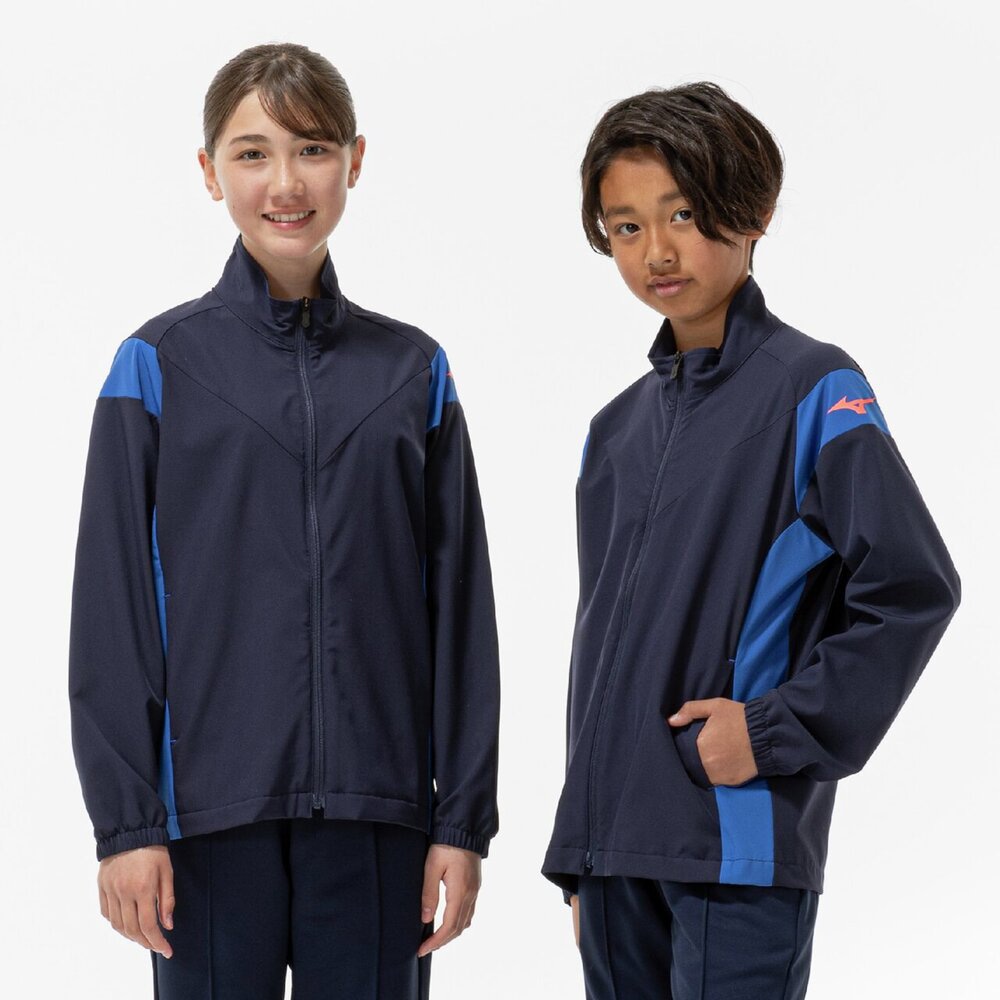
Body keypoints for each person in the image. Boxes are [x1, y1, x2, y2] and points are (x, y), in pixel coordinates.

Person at [68, 42, 500, 1000]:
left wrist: (462, 821)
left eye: (311, 149)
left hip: (380, 816)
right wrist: (127, 825)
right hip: (208, 821)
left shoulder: (412, 371)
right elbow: (112, 610)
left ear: (354, 160)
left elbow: (461, 610)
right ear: (209, 170)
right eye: (253, 153)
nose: (286, 183)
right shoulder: (156, 364)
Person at [541, 82, 959, 999]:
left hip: (736, 839)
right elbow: (598, 645)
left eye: (683, 214)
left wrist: (770, 733)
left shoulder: (815, 387)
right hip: (613, 856)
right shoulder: (613, 432)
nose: (657, 251)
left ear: (754, 211)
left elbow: (912, 588)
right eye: (625, 226)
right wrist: (580, 845)